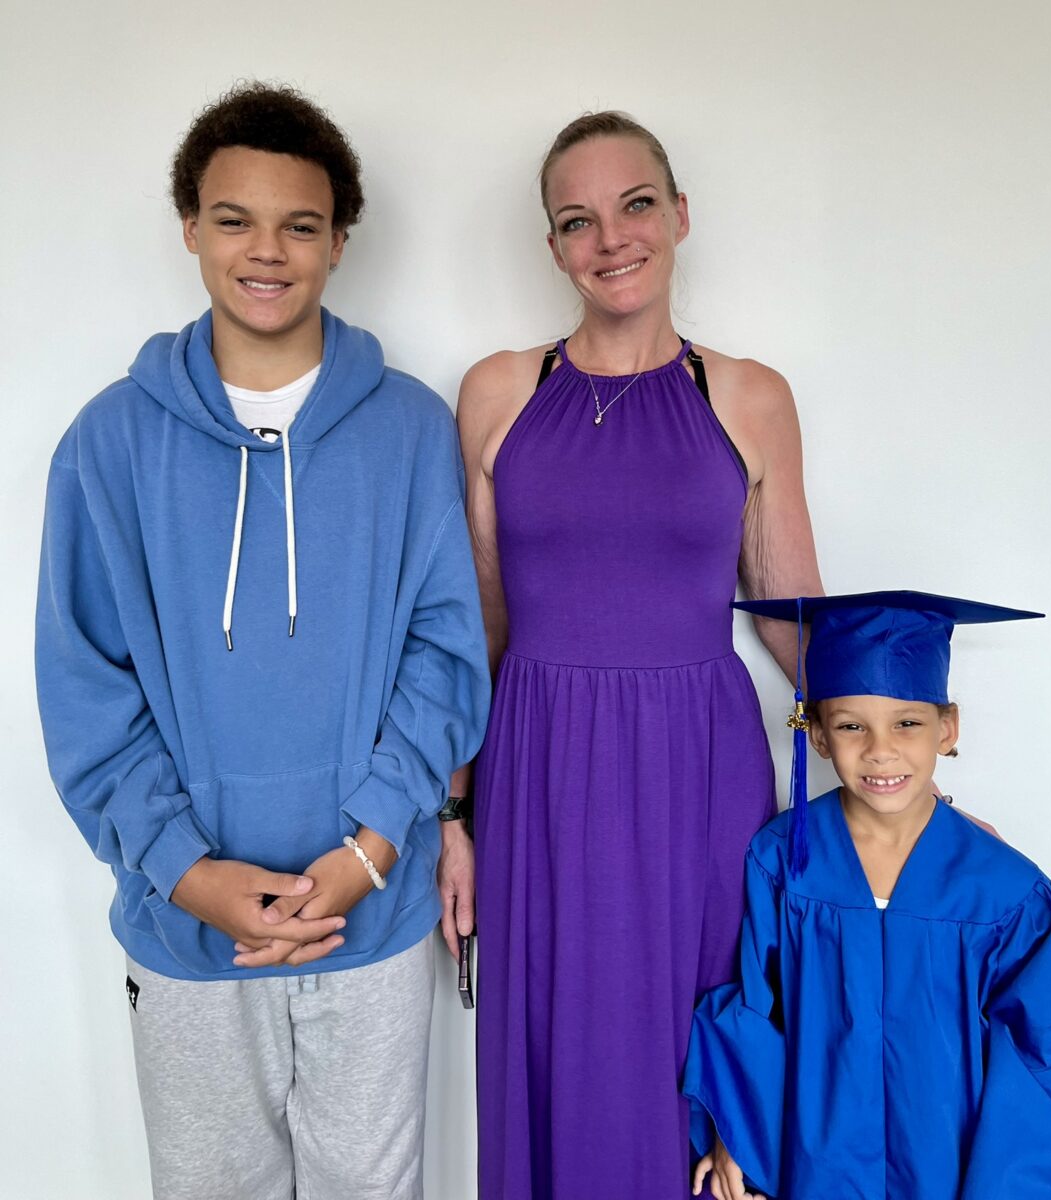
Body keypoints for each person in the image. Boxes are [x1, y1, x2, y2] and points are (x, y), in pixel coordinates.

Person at [35, 81, 490, 1200]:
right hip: (183, 928)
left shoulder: (408, 430)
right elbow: (86, 689)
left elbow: (444, 654)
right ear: (189, 228)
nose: (266, 251)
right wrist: (187, 873)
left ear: (339, 241)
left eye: (298, 224)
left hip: (370, 916)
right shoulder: (108, 443)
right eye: (233, 219)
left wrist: (369, 851)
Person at [450, 111, 823, 1199]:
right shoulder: (496, 392)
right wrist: (451, 821)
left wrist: (899, 777)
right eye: (577, 219)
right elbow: (480, 631)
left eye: (634, 205)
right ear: (552, 246)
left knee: (693, 1055)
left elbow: (790, 615)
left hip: (695, 774)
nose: (609, 238)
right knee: (553, 1043)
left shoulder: (748, 396)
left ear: (678, 216)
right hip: (538, 769)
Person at [685, 591, 1051, 1200]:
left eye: (908, 722)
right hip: (816, 1167)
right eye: (851, 725)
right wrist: (733, 1132)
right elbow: (751, 1009)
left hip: (950, 1173)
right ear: (817, 735)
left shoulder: (1006, 893)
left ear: (947, 729)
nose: (880, 749)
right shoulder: (782, 862)